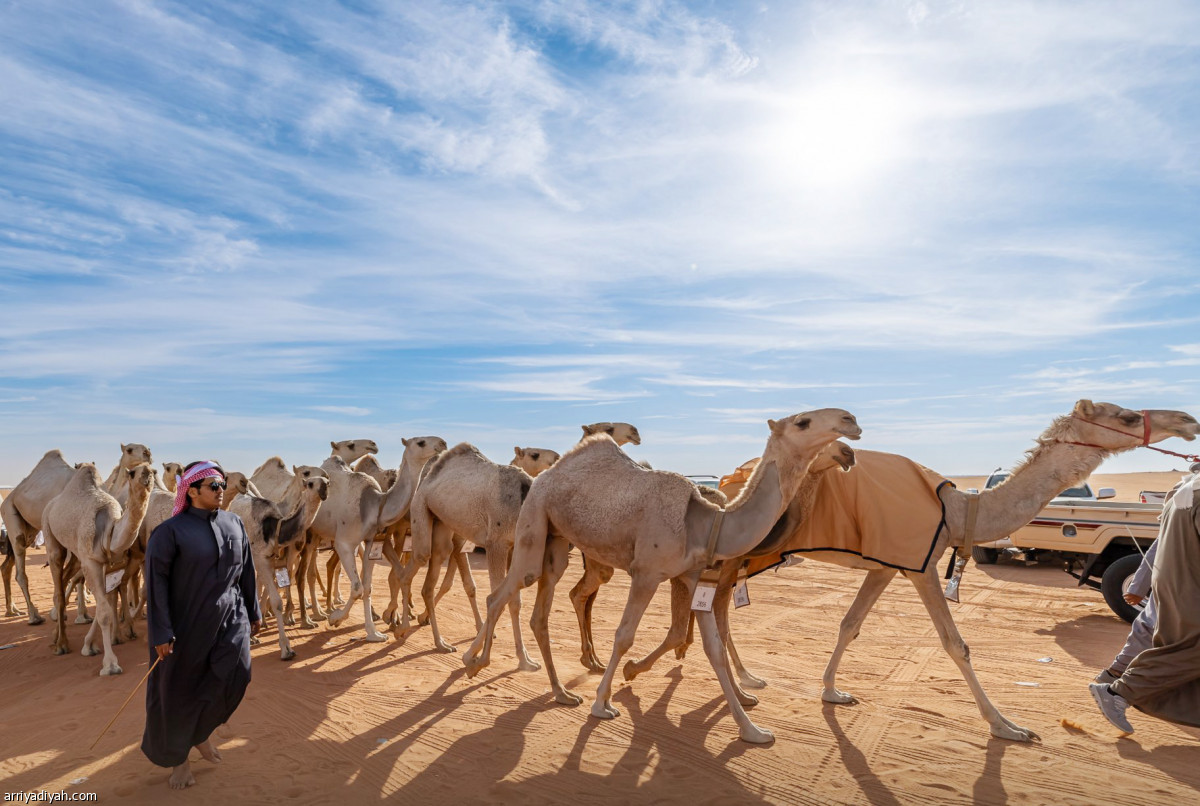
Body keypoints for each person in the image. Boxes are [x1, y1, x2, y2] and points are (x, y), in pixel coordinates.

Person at [142, 460, 261, 789]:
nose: (222, 490)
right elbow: (156, 584)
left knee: (237, 674)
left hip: (230, 618)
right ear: (192, 491)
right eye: (214, 486)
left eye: (223, 484)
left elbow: (246, 571)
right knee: (179, 692)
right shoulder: (169, 533)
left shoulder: (234, 523)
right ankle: (179, 760)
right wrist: (161, 631)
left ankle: (199, 733)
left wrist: (253, 611)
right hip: (185, 625)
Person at [1090, 462, 1200, 733]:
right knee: (1188, 648)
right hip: (1190, 587)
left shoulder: (1187, 488)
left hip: (1176, 582)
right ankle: (1119, 692)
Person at [1093, 539, 1158, 685]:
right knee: (1149, 626)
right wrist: (1138, 588)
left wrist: (1138, 587)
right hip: (1181, 584)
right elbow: (1158, 549)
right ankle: (1117, 675)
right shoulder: (1181, 523)